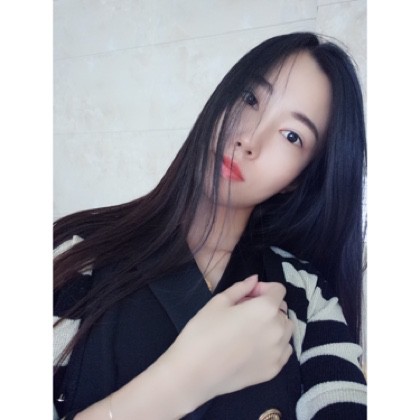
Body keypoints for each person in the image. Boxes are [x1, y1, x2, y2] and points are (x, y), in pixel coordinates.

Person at [54, 32, 367, 419]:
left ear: (297, 179)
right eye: (250, 98)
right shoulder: (77, 250)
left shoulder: (306, 292)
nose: (249, 139)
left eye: (292, 136)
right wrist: (186, 380)